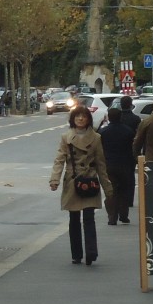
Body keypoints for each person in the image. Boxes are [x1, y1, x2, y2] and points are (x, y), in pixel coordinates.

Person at [49, 104, 112, 266]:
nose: (81, 119)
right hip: (73, 181)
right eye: (77, 116)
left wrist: (107, 187)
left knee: (89, 218)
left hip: (90, 181)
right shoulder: (66, 137)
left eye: (84, 116)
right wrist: (54, 179)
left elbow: (101, 164)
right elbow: (59, 160)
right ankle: (76, 254)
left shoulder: (96, 138)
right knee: (74, 218)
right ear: (73, 119)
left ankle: (91, 252)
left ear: (88, 119)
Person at [98, 107, 136, 225]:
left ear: (108, 117)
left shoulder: (103, 132)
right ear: (121, 117)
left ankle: (112, 217)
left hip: (109, 165)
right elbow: (132, 148)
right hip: (125, 165)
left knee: (111, 191)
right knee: (124, 190)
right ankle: (124, 215)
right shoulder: (128, 131)